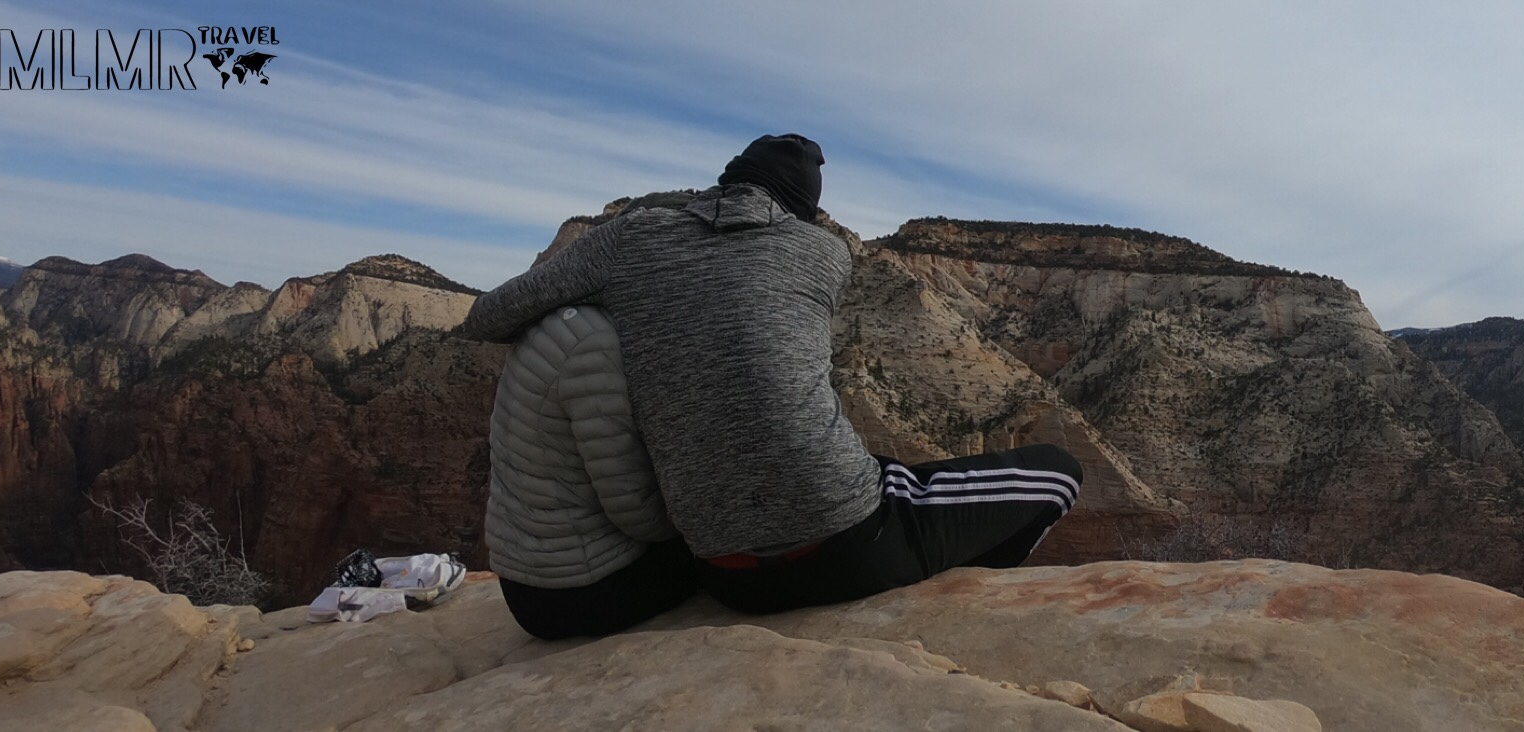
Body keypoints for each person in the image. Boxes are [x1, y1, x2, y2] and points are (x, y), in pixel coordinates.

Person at [461, 133, 1083, 615]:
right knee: (1058, 472)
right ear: (805, 209)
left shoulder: (629, 239)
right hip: (847, 546)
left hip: (727, 577)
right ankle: (959, 604)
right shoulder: (823, 251)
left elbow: (488, 317)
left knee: (879, 469)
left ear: (726, 179)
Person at [481, 303, 697, 640]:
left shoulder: (558, 321)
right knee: (734, 561)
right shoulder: (594, 345)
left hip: (531, 580)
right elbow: (633, 508)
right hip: (577, 592)